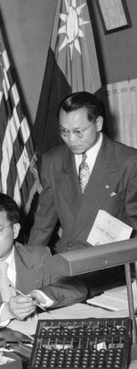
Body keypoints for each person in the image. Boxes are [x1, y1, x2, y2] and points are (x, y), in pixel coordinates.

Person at [0, 193, 88, 326]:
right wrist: (8, 310)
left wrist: (36, 297)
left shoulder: (38, 256)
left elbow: (78, 288)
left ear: (15, 231)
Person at [28, 91, 137, 253]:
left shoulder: (129, 161)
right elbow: (44, 222)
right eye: (64, 131)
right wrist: (27, 265)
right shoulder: (53, 161)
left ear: (98, 124)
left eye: (78, 131)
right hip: (69, 262)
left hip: (112, 266)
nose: (71, 140)